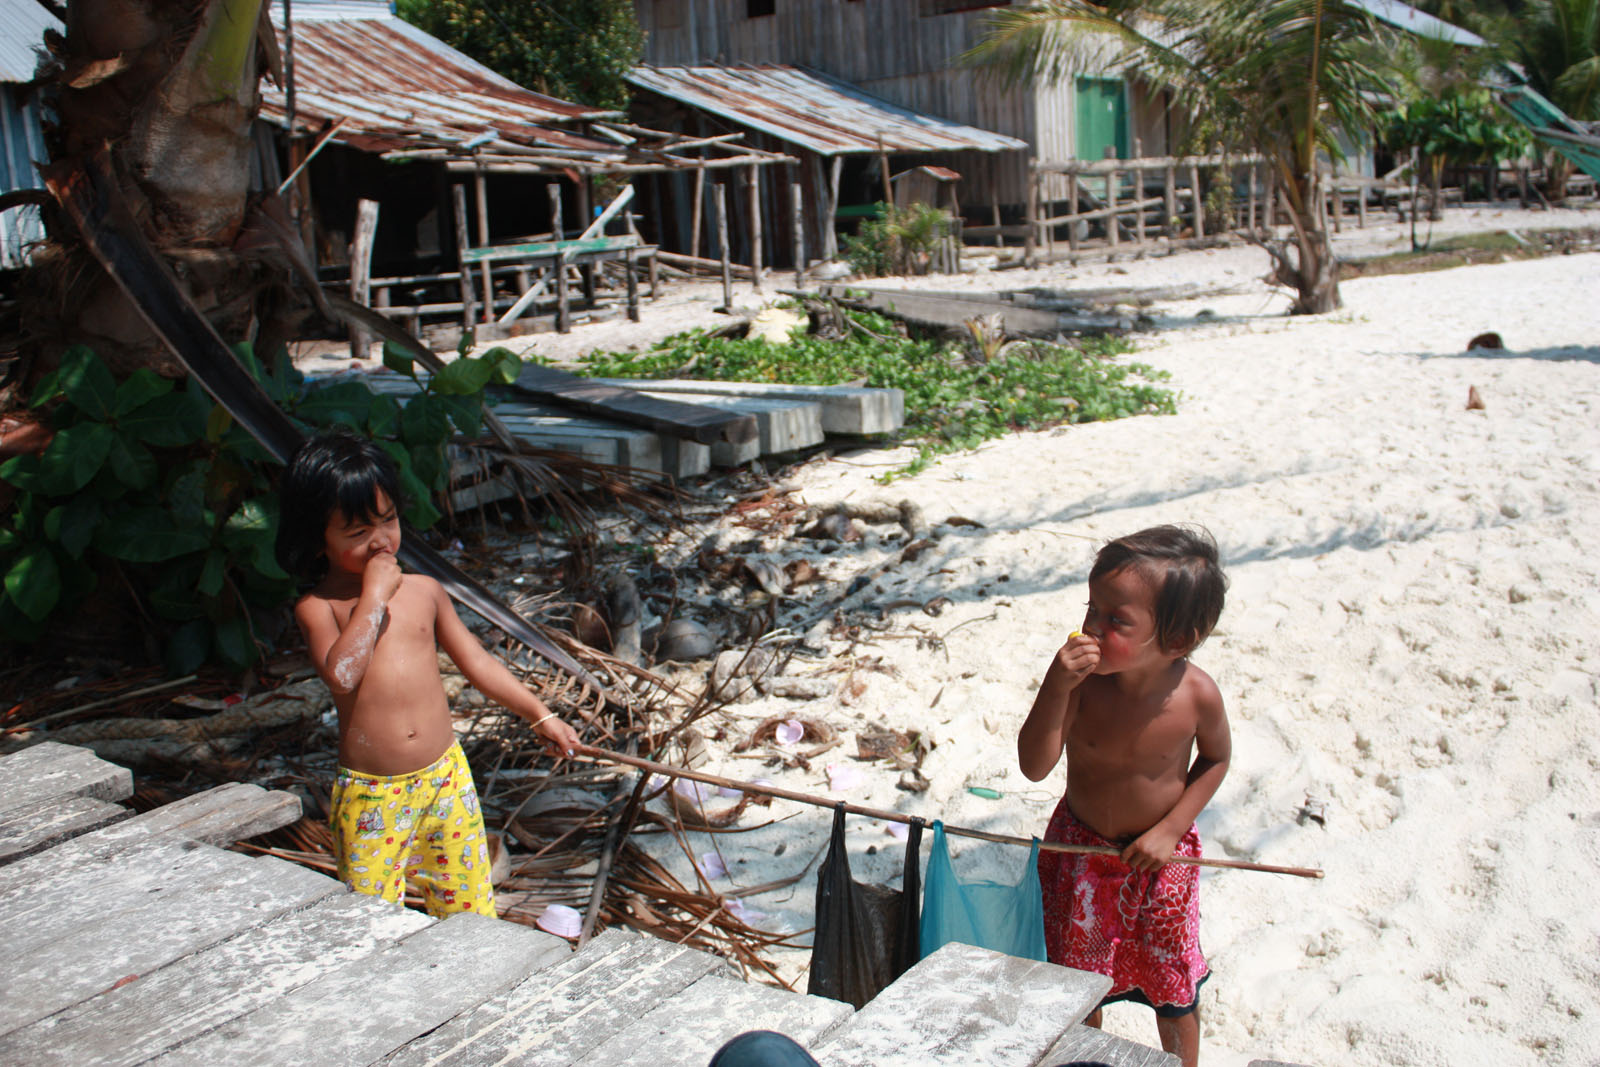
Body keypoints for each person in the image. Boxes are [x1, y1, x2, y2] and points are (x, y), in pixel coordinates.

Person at [276, 428, 579, 917]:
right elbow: (342, 675)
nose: (380, 542)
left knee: (468, 906)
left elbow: (477, 662)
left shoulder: (425, 591)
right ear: (317, 542)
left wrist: (540, 715)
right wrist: (373, 599)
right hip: (374, 794)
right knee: (368, 919)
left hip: (445, 778)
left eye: (389, 520)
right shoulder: (319, 608)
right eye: (357, 533)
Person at [1017, 524, 1230, 1067]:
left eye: (1116, 620)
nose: (1090, 627)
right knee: (1081, 980)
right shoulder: (1081, 686)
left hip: (1162, 860)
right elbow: (1035, 765)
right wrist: (1054, 686)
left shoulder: (1196, 695)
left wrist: (1170, 829)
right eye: (1092, 608)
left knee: (1172, 982)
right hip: (1081, 856)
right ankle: (1086, 1060)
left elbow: (1216, 760)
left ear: (1178, 641)